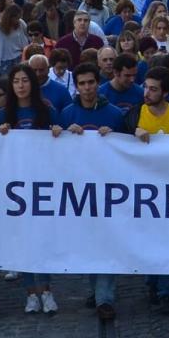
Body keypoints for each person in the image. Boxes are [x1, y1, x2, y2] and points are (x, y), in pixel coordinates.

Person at [61, 63, 129, 321]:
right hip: (79, 191)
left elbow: (127, 151)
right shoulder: (67, 114)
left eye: (91, 82)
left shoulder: (113, 114)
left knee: (106, 242)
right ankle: (97, 290)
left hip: (109, 189)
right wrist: (63, 133)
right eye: (82, 83)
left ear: (97, 84)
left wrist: (115, 138)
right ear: (76, 87)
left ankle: (104, 298)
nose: (87, 88)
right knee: (89, 243)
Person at [0, 64, 62, 314]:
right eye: (16, 81)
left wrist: (57, 132)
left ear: (32, 83)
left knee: (41, 239)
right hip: (15, 186)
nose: (21, 85)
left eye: (25, 80)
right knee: (22, 241)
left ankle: (47, 290)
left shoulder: (46, 109)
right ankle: (30, 293)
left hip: (42, 183)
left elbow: (63, 140)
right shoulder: (3, 114)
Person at [125, 66, 169, 315]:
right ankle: (152, 281)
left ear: (165, 92)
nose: (147, 92)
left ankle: (167, 293)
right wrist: (132, 133)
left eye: (153, 89)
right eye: (146, 87)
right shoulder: (134, 114)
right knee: (150, 241)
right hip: (143, 191)